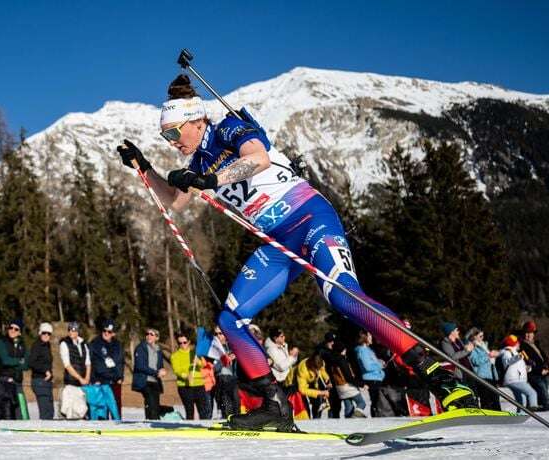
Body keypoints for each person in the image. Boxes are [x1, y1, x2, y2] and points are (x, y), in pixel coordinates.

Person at [116, 74, 477, 431]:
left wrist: (211, 180)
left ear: (196, 120)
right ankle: (274, 406)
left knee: (341, 294)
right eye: (166, 136)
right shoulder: (196, 162)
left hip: (308, 217)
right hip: (278, 241)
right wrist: (143, 168)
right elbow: (176, 202)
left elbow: (257, 160)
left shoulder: (229, 127)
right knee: (231, 320)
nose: (172, 141)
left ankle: (441, 376)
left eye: (175, 132)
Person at [89, 318, 124, 419]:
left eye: (109, 332)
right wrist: (94, 379)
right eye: (104, 331)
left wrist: (120, 376)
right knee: (101, 411)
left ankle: (117, 429)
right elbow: (90, 362)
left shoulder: (118, 345)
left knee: (116, 411)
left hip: (115, 381)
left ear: (113, 333)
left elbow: (121, 362)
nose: (106, 333)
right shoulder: (95, 344)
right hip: (101, 381)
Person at [0, 319, 29, 420]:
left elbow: (26, 365)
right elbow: (5, 360)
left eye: (16, 329)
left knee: (21, 407)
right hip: (4, 379)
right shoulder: (1, 342)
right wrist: (19, 361)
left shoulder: (23, 345)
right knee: (6, 408)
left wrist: (17, 363)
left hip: (17, 380)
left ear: (20, 332)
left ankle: (24, 425)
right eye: (11, 328)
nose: (12, 330)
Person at [171, 331, 210, 420]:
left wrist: (198, 362)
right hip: (185, 386)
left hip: (199, 385)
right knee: (189, 411)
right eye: (180, 343)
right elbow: (177, 370)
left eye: (184, 342)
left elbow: (204, 365)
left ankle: (204, 428)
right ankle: (190, 428)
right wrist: (186, 375)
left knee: (203, 411)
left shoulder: (195, 353)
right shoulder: (175, 356)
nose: (182, 344)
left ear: (188, 342)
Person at [132, 328, 166, 420]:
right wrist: (156, 372)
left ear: (157, 338)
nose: (149, 336)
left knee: (155, 404)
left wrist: (162, 371)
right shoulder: (141, 348)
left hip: (155, 381)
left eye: (152, 334)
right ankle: (150, 422)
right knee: (150, 401)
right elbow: (140, 366)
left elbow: (160, 365)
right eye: (147, 334)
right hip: (144, 380)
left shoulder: (158, 350)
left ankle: (155, 422)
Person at [59, 322, 91, 419]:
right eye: (71, 330)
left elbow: (88, 363)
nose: (73, 332)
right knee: (69, 411)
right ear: (68, 331)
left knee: (82, 410)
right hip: (71, 383)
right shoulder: (64, 344)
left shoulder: (83, 344)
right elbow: (67, 365)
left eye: (75, 330)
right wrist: (80, 378)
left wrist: (87, 378)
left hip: (82, 385)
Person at [499, 335, 538, 411]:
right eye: (517, 343)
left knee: (521, 399)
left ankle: (520, 413)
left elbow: (519, 368)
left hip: (518, 379)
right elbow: (507, 362)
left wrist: (529, 367)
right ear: (513, 344)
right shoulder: (507, 352)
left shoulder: (516, 353)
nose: (519, 344)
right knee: (532, 393)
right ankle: (534, 408)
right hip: (514, 379)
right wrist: (518, 357)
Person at [465, 327, 501, 411]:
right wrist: (489, 356)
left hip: (491, 375)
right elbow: (476, 361)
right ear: (474, 336)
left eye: (483, 336)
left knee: (495, 397)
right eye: (480, 336)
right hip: (482, 376)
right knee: (486, 398)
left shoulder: (484, 345)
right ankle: (488, 416)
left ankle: (498, 414)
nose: (482, 338)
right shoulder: (471, 347)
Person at [519, 321, 549, 411]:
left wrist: (547, 367)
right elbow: (527, 362)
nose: (528, 335)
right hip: (534, 375)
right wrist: (539, 370)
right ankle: (547, 410)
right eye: (526, 333)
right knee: (543, 394)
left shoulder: (536, 345)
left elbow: (543, 358)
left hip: (544, 374)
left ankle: (538, 410)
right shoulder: (522, 347)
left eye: (530, 333)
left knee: (541, 394)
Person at [354, 330, 386, 417]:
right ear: (364, 338)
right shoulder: (362, 350)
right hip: (371, 379)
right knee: (375, 403)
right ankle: (375, 419)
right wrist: (379, 366)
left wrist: (380, 362)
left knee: (377, 402)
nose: (371, 338)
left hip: (376, 378)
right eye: (369, 336)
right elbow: (367, 366)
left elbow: (372, 362)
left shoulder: (368, 350)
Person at [28, 322, 54, 420]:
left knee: (50, 411)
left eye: (49, 333)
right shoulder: (37, 346)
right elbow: (31, 362)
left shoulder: (47, 346)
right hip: (39, 381)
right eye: (44, 333)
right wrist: (45, 371)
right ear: (40, 333)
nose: (46, 335)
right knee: (45, 412)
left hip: (47, 382)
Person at [213, 326, 240, 418]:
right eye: (215, 334)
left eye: (220, 333)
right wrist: (225, 360)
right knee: (226, 409)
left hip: (235, 380)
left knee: (236, 407)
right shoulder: (213, 349)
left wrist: (237, 357)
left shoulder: (234, 346)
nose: (218, 336)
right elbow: (214, 368)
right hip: (222, 380)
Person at [295, 352, 330, 419]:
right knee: (305, 411)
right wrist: (321, 392)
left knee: (318, 402)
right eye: (316, 369)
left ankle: (316, 420)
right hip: (295, 386)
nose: (318, 371)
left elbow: (322, 371)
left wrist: (327, 380)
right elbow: (302, 390)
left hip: (310, 382)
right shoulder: (302, 369)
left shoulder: (320, 362)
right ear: (311, 366)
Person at [316, 332, 342, 418]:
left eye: (333, 341)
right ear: (326, 341)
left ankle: (335, 419)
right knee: (327, 404)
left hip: (334, 380)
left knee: (336, 404)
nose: (332, 343)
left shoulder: (332, 350)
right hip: (325, 381)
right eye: (330, 341)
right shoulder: (322, 351)